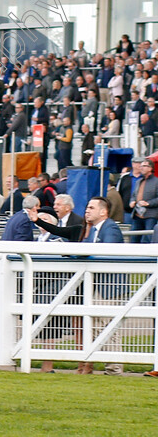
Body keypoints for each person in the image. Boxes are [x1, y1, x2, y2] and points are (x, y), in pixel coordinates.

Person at [82, 196, 125, 376]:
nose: (87, 210)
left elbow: (109, 252)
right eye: (87, 207)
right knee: (98, 326)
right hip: (98, 286)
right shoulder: (93, 231)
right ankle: (107, 365)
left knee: (109, 326)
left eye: (91, 207)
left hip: (110, 287)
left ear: (103, 211)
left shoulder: (110, 228)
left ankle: (114, 369)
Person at [130, 159, 158, 243]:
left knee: (148, 239)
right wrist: (132, 201)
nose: (141, 168)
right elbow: (134, 195)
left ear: (150, 168)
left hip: (150, 215)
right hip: (137, 214)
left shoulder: (156, 181)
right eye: (141, 166)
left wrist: (148, 203)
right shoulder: (139, 181)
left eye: (144, 166)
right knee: (134, 239)